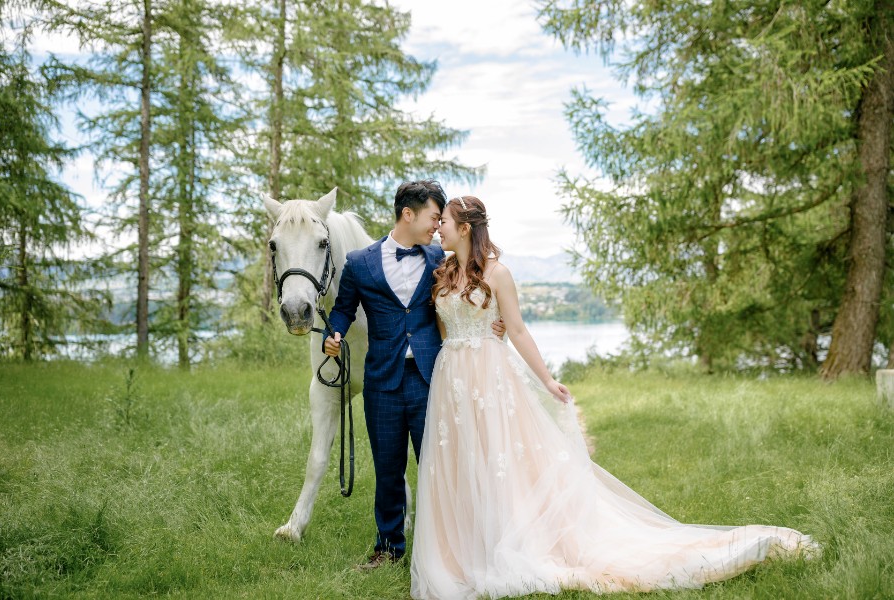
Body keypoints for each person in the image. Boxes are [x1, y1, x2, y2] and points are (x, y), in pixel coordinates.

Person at [410, 196, 818, 600]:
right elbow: (445, 330)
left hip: (492, 377)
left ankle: (510, 544)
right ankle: (466, 548)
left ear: (465, 228)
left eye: (444, 220)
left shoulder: (499, 274)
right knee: (463, 461)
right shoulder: (441, 272)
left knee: (500, 463)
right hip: (453, 381)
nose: (438, 227)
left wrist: (549, 381)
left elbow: (517, 331)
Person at [322, 180, 504, 570]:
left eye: (441, 219)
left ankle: (451, 548)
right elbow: (342, 309)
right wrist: (332, 333)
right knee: (388, 469)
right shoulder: (359, 262)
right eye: (433, 217)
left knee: (439, 467)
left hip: (430, 377)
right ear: (408, 213)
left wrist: (496, 322)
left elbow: (478, 283)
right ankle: (388, 549)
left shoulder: (441, 258)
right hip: (382, 384)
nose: (437, 226)